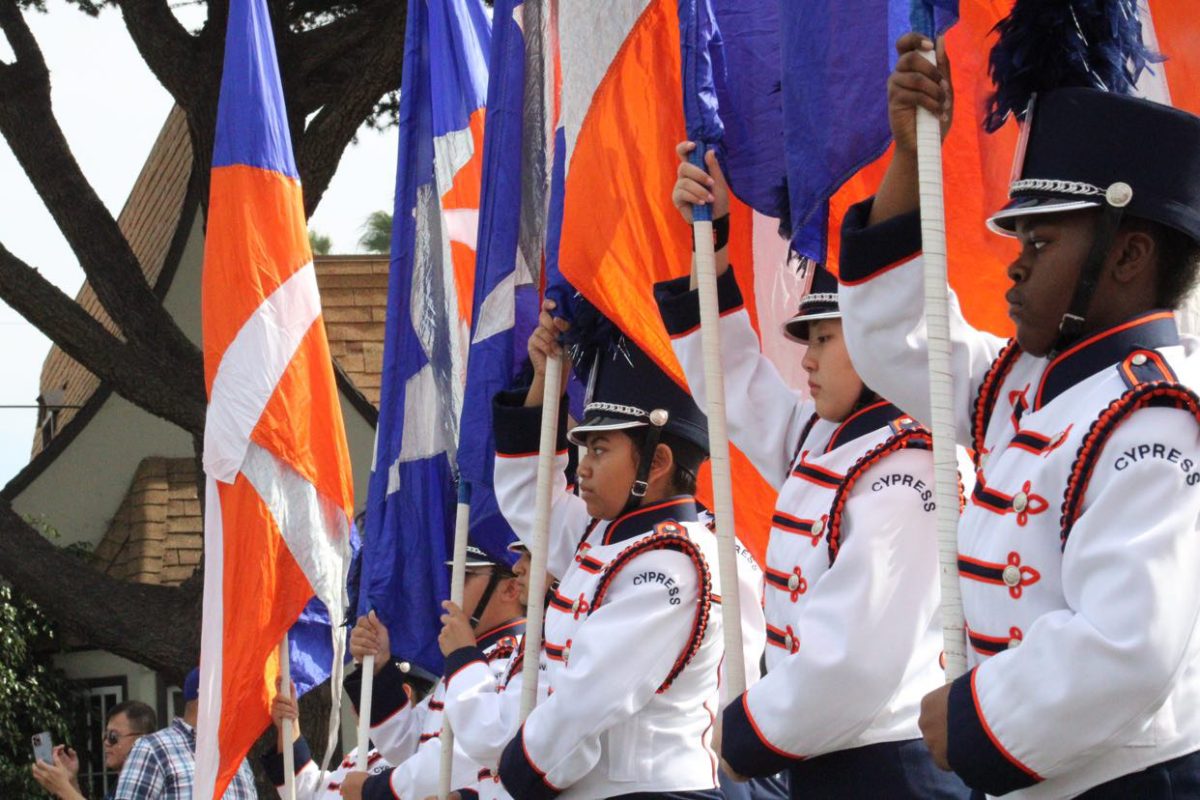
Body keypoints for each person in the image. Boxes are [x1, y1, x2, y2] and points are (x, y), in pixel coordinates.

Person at [839, 31, 1200, 799]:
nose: (1017, 261)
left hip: (1128, 780)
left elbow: (1128, 648)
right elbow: (889, 336)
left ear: (1128, 258)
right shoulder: (1026, 380)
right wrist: (910, 156)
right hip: (1037, 768)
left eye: (1041, 239)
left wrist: (977, 720)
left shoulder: (1156, 413)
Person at [656, 141, 967, 799]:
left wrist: (749, 733)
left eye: (824, 338)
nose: (806, 359)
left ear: (873, 334)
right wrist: (709, 249)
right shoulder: (828, 439)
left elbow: (859, 659)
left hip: (892, 768)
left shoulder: (911, 457)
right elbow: (735, 383)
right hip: (830, 758)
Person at [489, 303, 764, 798]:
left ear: (656, 462)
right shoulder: (609, 534)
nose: (582, 468)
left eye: (599, 450)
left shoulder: (677, 561)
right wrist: (546, 379)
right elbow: (531, 496)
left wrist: (519, 769)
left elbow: (590, 699)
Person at [340, 545, 527, 800]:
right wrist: (380, 667)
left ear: (510, 589)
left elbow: (463, 757)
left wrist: (374, 790)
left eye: (464, 577)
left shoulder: (513, 658)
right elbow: (407, 744)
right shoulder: (475, 655)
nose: (449, 591)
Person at [112, 668, 255, 799]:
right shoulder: (152, 749)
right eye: (231, 698)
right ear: (204, 701)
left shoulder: (239, 759)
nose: (238, 707)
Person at [32, 700, 157, 800]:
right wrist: (70, 780)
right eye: (105, 735)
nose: (106, 742)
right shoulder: (121, 781)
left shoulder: (147, 778)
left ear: (140, 739)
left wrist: (62, 788)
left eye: (113, 736)